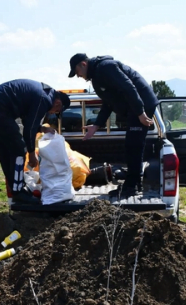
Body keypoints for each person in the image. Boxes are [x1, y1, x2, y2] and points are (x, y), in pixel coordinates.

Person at [68, 53, 159, 198]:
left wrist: (140, 113)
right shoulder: (98, 76)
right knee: (132, 146)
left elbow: (129, 88)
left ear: (83, 64)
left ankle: (132, 186)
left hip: (142, 105)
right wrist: (96, 125)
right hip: (135, 109)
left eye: (77, 72)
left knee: (133, 145)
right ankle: (134, 183)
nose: (78, 76)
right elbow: (108, 102)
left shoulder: (105, 68)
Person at [0, 79, 71, 205]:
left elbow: (29, 121)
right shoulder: (45, 99)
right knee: (19, 150)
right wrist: (31, 154)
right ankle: (18, 191)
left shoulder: (44, 93)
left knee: (5, 152)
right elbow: (29, 130)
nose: (52, 113)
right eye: (56, 112)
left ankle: (16, 187)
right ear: (58, 104)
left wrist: (41, 128)